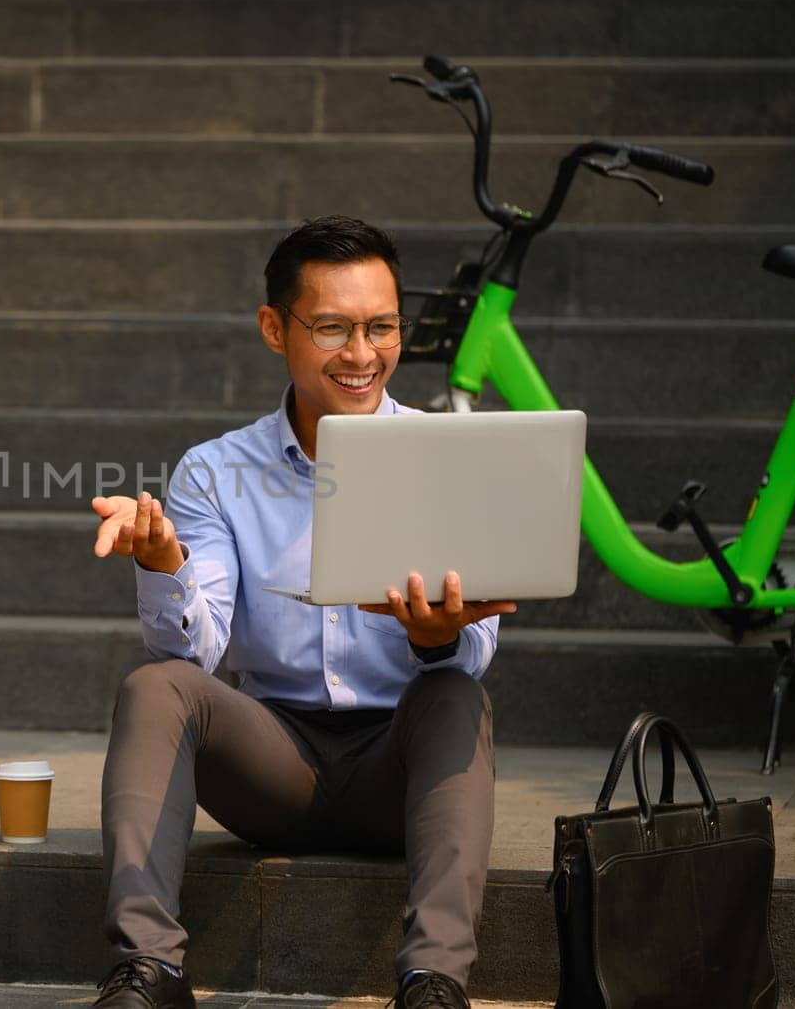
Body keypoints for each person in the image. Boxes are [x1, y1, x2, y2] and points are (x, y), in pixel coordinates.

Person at [86, 216, 515, 1009]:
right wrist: (164, 564)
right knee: (154, 688)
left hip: (401, 763)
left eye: (382, 327)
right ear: (274, 328)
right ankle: (147, 971)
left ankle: (433, 982)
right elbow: (197, 645)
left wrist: (435, 639)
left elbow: (474, 644)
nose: (363, 354)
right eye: (333, 328)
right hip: (273, 766)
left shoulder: (446, 456)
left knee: (458, 692)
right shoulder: (217, 472)